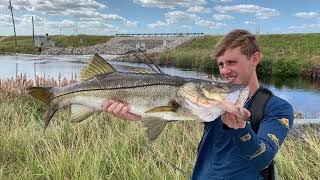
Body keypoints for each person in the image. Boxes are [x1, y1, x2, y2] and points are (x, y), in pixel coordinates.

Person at [102, 29, 294, 180]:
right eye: (221, 64)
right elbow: (170, 112)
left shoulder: (277, 108)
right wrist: (138, 113)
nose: (225, 71)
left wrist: (242, 130)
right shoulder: (214, 101)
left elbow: (264, 159)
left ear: (255, 59)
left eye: (232, 62)